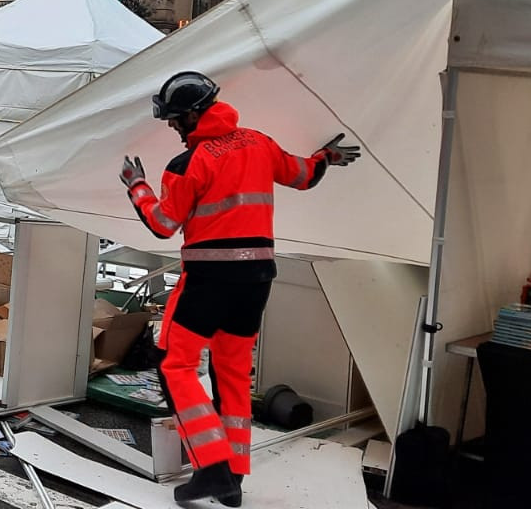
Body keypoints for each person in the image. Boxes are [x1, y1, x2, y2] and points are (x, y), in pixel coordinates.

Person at [119, 71, 360, 505]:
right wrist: (327, 156)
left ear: (194, 114)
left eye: (175, 119)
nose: (172, 127)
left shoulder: (187, 165)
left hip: (209, 281)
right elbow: (304, 175)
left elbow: (162, 224)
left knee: (174, 363)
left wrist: (137, 187)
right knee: (231, 372)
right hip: (257, 281)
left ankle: (211, 469)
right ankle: (233, 478)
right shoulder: (258, 143)